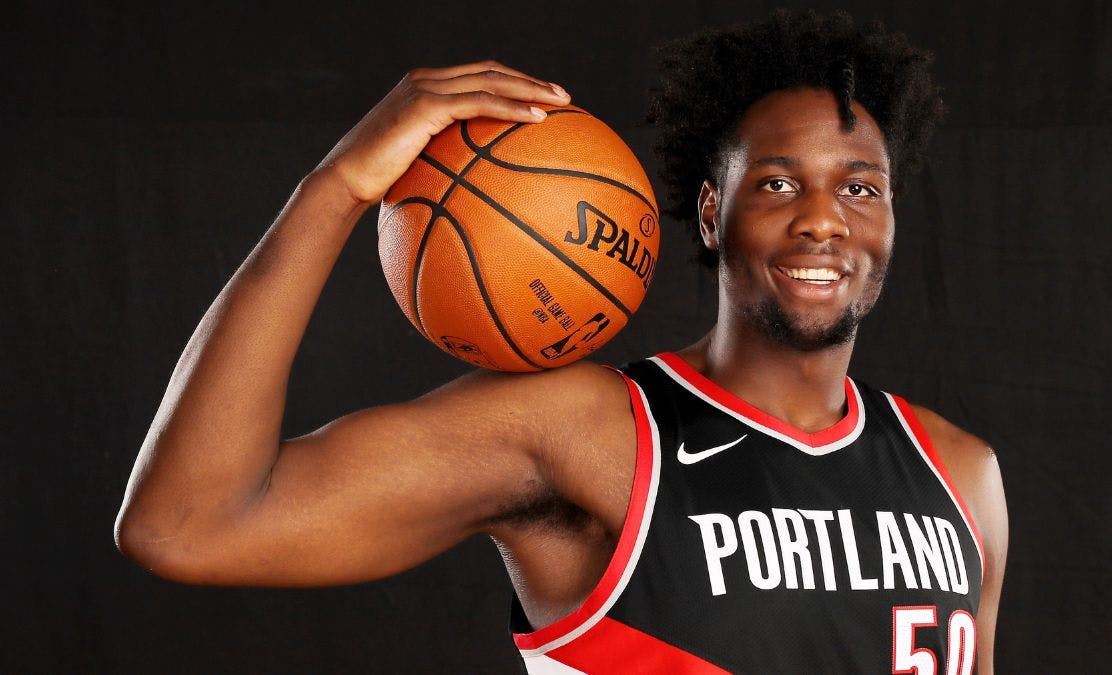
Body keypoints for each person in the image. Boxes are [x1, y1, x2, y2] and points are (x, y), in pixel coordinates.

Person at [115, 10, 1006, 673]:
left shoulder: (959, 472)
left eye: (861, 189)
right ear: (711, 211)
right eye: (777, 183)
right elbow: (184, 525)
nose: (823, 220)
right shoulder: (588, 432)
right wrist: (337, 188)